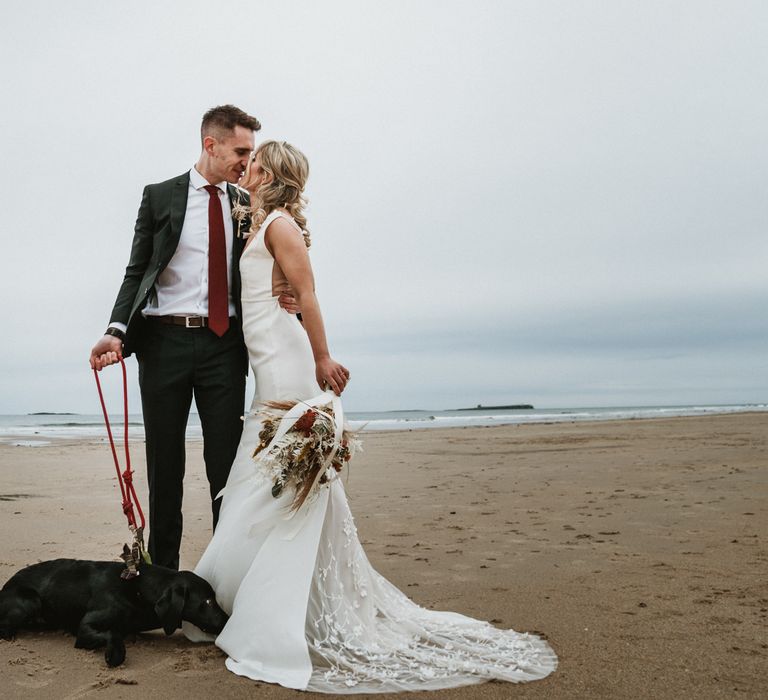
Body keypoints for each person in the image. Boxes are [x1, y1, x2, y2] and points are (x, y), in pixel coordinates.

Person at [183, 141, 557, 692]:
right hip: (263, 362)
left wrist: (321, 357)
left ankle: (275, 609)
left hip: (287, 363)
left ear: (273, 174)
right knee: (271, 482)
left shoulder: (281, 225)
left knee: (277, 482)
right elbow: (271, 285)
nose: (249, 168)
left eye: (257, 163)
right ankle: (254, 597)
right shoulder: (261, 222)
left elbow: (307, 293)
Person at [88, 105, 297, 570]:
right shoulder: (159, 195)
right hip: (163, 345)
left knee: (227, 466)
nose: (248, 161)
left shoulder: (248, 204)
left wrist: (293, 305)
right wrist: (115, 331)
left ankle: (225, 578)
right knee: (165, 469)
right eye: (241, 151)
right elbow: (137, 269)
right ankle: (162, 578)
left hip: (225, 347)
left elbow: (275, 265)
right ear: (211, 144)